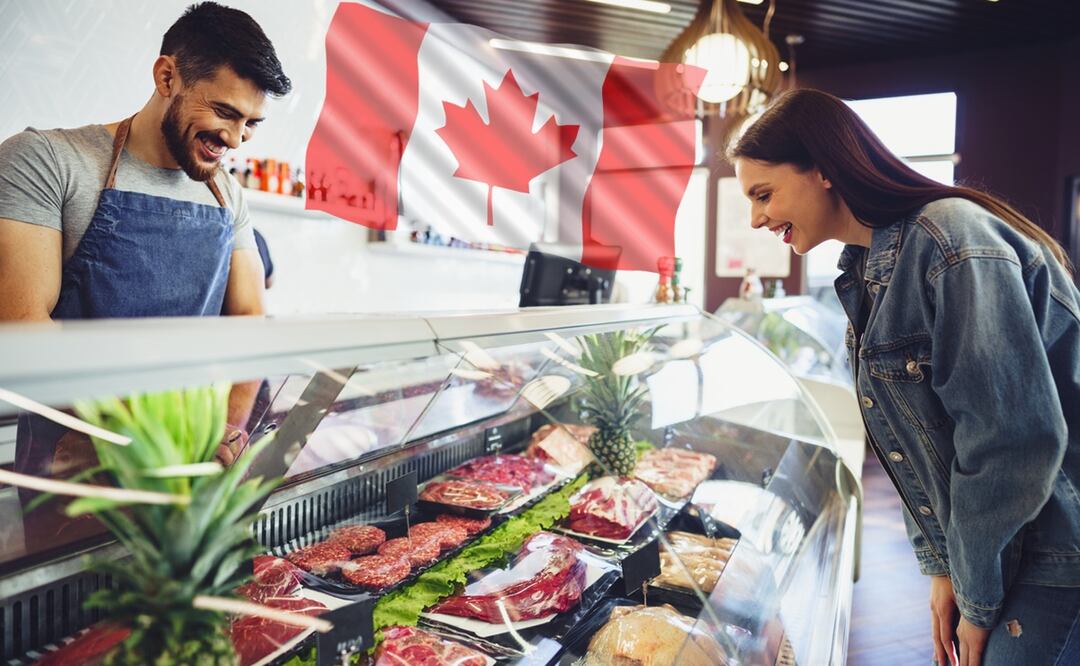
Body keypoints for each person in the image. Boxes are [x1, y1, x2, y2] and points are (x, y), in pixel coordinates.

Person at [730, 89, 1080, 666]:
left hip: (1051, 553)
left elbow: (1010, 442)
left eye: (763, 195)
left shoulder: (949, 240)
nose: (755, 218)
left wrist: (976, 596)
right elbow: (919, 447)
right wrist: (945, 567)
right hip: (1002, 556)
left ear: (822, 170)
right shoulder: (864, 269)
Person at [0, 3, 290, 475]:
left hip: (192, 466)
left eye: (251, 123)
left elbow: (250, 323)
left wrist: (226, 434)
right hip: (77, 470)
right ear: (166, 77)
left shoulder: (228, 195)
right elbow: (19, 324)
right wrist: (165, 435)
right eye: (224, 112)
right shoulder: (46, 160)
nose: (236, 139)